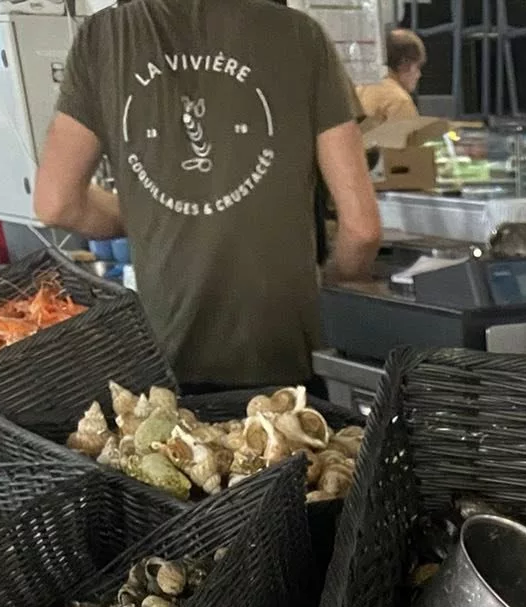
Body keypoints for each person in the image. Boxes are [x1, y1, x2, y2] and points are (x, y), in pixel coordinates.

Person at [34, 0, 384, 388]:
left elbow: (57, 204)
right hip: (288, 361)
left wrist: (151, 215)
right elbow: (363, 229)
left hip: (171, 361)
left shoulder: (103, 38)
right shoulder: (301, 35)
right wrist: (335, 283)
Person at [358, 28, 426, 125]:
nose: (419, 75)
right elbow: (410, 134)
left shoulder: (361, 88)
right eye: (418, 67)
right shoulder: (399, 101)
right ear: (405, 63)